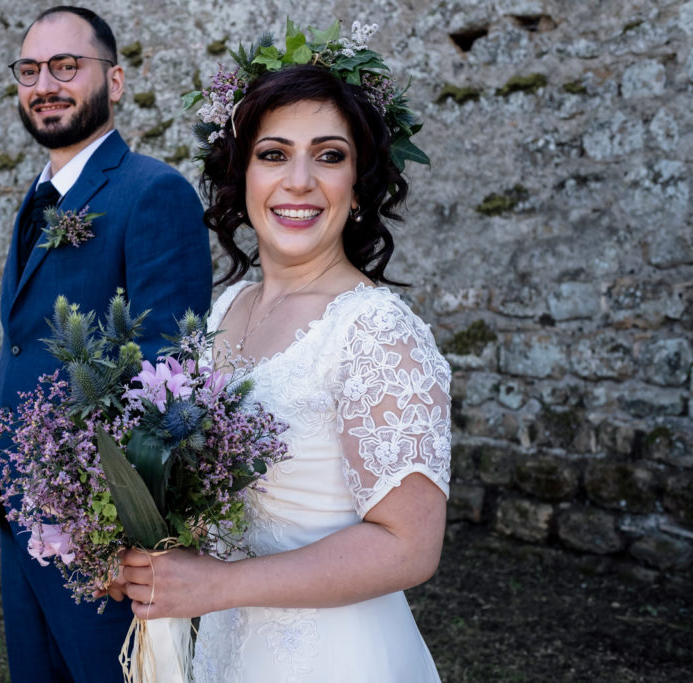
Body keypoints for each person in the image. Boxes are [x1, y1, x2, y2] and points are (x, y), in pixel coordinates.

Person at [116, 36, 452, 682]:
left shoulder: (376, 332)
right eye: (273, 154)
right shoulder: (227, 309)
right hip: (230, 646)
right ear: (243, 176)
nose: (299, 181)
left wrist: (221, 584)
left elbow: (410, 545)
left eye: (329, 156)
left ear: (358, 187)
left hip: (337, 656)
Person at [0, 6, 212, 681]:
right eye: (30, 70)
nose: (45, 83)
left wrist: (126, 535)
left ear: (116, 81)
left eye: (66, 66)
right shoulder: (37, 196)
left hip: (100, 545)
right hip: (23, 524)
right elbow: (21, 350)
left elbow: (171, 375)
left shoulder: (152, 193)